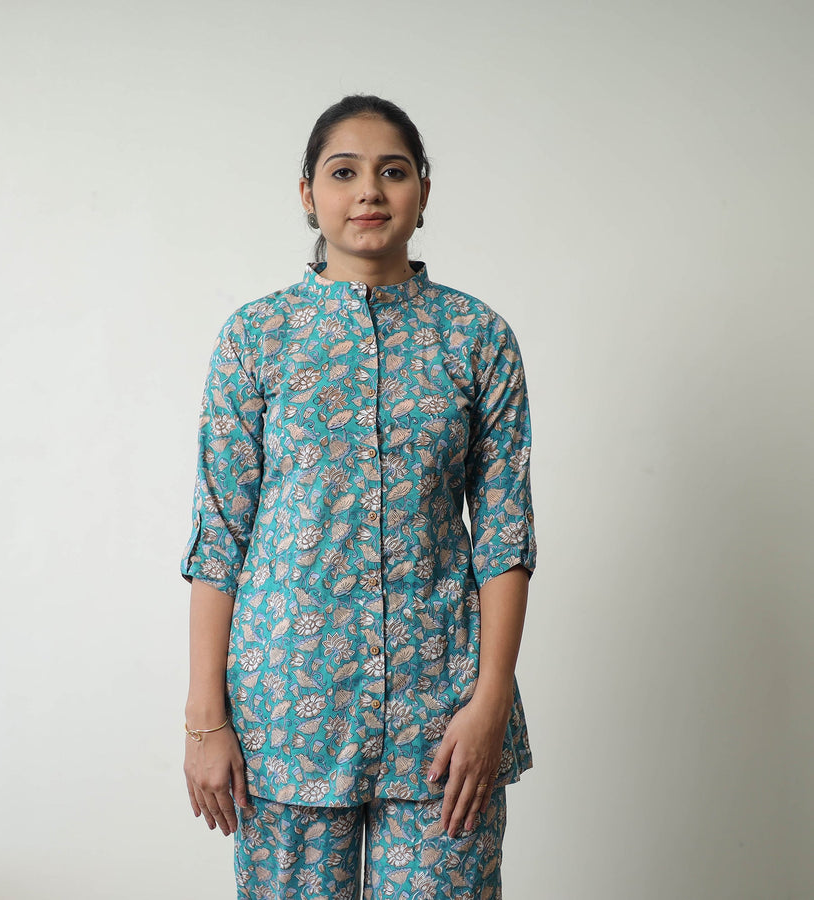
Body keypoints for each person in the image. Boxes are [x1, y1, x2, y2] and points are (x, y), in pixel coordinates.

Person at [180, 94, 537, 900]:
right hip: (287, 714)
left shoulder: (477, 339)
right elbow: (219, 538)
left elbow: (505, 538)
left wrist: (489, 704)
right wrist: (206, 720)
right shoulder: (256, 339)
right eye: (344, 172)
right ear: (308, 193)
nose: (369, 190)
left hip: (444, 711)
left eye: (393, 171)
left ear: (423, 191)